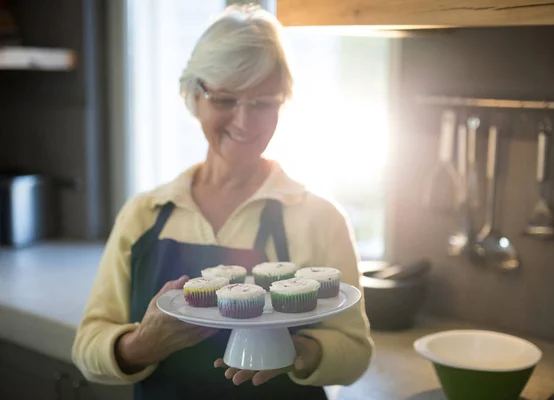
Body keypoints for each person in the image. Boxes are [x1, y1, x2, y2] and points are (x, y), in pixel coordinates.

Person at [72, 5, 373, 400]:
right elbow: (87, 345)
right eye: (226, 99)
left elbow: (355, 352)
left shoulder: (318, 217)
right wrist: (142, 344)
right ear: (194, 97)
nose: (245, 123)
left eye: (263, 103)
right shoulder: (144, 214)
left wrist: (298, 352)